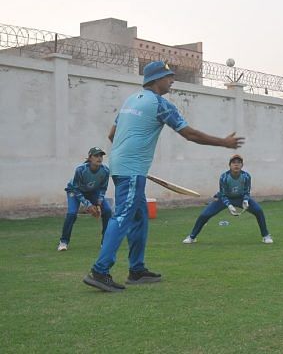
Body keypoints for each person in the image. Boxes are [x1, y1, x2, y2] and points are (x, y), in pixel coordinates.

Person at [83, 61, 245, 293]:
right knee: (122, 217)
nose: (172, 80)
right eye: (168, 76)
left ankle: (137, 270)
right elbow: (189, 134)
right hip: (130, 170)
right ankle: (100, 270)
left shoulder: (131, 100)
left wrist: (129, 158)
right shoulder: (160, 104)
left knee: (139, 217)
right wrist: (224, 142)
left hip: (122, 166)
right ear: (156, 79)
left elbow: (112, 135)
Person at [183, 154, 272, 244]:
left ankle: (266, 236)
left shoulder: (246, 176)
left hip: (241, 198)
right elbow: (223, 194)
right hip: (225, 198)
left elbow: (247, 191)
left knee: (258, 211)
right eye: (233, 163)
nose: (236, 165)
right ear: (230, 165)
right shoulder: (224, 177)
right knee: (204, 215)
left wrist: (245, 200)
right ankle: (192, 237)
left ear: (242, 165)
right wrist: (229, 205)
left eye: (239, 163)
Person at [57, 147, 111, 251]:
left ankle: (105, 242)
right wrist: (88, 204)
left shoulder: (105, 170)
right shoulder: (81, 170)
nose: (99, 158)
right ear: (90, 158)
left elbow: (103, 188)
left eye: (101, 156)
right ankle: (63, 242)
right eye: (96, 156)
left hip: (92, 192)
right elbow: (76, 188)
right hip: (74, 190)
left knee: (107, 211)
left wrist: (99, 204)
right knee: (72, 213)